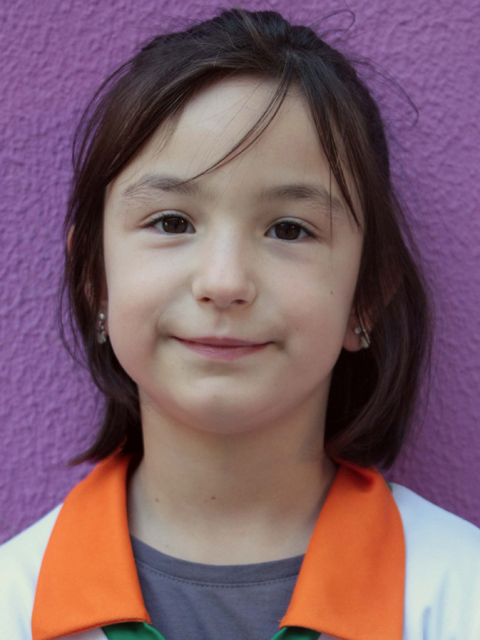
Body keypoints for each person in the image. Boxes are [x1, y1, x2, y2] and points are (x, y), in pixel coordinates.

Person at [1, 7, 479, 640]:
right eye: (172, 222)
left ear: (367, 294)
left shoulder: (460, 594)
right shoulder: (14, 602)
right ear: (95, 277)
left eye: (289, 230)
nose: (224, 282)